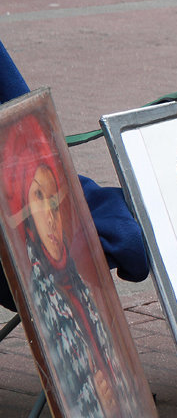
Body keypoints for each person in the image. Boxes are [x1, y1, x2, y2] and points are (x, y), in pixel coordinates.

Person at [3, 114, 147, 416]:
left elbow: (23, 109)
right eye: (38, 198)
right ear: (25, 215)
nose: (50, 214)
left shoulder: (72, 280)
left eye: (53, 200)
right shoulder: (44, 293)